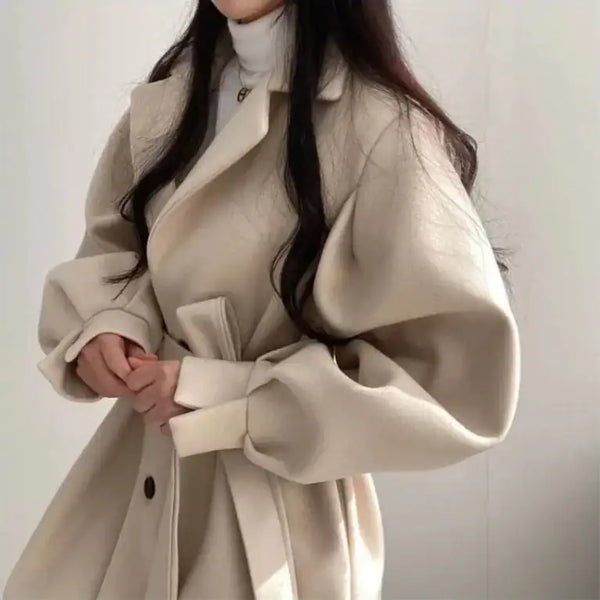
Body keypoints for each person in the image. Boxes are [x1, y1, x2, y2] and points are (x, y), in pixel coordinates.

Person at [3, 1, 521, 598]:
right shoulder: (175, 97)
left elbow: (454, 387)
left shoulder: (379, 127)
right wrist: (110, 323)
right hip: (137, 483)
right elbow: (120, 245)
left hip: (274, 521)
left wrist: (232, 398)